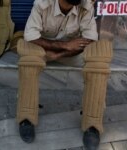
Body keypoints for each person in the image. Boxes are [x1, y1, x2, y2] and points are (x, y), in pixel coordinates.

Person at [16, 0, 113, 149]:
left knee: (99, 55)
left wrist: (60, 54)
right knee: (28, 54)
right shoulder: (42, 4)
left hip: (71, 54)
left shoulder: (85, 6)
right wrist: (63, 46)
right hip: (44, 50)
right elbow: (31, 35)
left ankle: (92, 125)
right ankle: (26, 118)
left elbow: (89, 40)